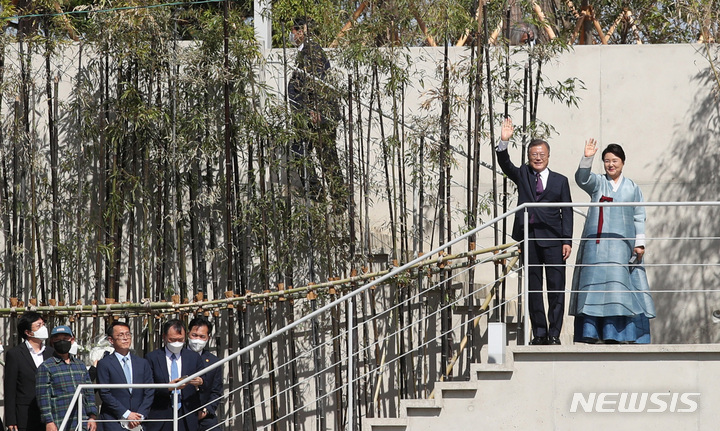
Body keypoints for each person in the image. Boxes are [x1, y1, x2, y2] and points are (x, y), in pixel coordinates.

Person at [569, 140, 656, 343]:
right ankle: (591, 333)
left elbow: (639, 215)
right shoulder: (598, 183)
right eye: (607, 161)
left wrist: (640, 243)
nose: (611, 165)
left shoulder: (632, 188)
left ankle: (618, 334)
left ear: (622, 162)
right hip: (596, 247)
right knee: (595, 286)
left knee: (619, 287)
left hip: (622, 246)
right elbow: (582, 179)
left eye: (614, 160)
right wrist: (587, 158)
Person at [497, 117, 573, 345]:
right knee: (533, 289)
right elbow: (505, 164)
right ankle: (539, 333)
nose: (537, 158)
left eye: (541, 154)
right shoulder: (523, 174)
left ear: (548, 156)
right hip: (528, 240)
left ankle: (555, 333)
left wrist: (567, 240)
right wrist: (503, 142)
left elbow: (566, 212)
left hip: (554, 241)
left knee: (556, 288)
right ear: (529, 157)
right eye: (533, 155)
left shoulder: (560, 181)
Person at [287, 16, 346, 208]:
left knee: (321, 154)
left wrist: (315, 109)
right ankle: (328, 197)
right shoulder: (306, 52)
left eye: (294, 30)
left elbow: (319, 82)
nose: (292, 34)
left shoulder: (312, 51)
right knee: (313, 153)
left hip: (318, 115)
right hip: (312, 115)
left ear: (301, 31)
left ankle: (328, 197)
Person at [145, 319, 204, 431]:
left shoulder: (193, 357)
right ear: (164, 337)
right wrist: (167, 388)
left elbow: (206, 381)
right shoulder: (152, 358)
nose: (176, 343)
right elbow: (147, 386)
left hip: (186, 413)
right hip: (161, 413)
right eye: (172, 340)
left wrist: (200, 382)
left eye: (180, 340)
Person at [36, 325, 98, 431]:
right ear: (52, 342)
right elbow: (43, 397)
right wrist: (49, 421)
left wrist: (92, 416)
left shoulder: (80, 365)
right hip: (60, 421)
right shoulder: (46, 367)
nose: (62, 342)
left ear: (72, 340)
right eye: (58, 339)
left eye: (65, 339)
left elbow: (89, 392)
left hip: (82, 421)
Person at [96, 321, 154, 430]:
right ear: (111, 340)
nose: (125, 338)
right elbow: (105, 393)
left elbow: (149, 391)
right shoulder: (104, 364)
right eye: (120, 335)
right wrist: (126, 414)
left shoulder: (142, 363)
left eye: (128, 334)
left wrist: (140, 415)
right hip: (113, 421)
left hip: (138, 421)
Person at [4, 311, 55, 431]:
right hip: (25, 414)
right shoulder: (15, 354)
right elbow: (10, 388)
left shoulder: (51, 353)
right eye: (38, 325)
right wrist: (11, 419)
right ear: (28, 332)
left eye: (43, 324)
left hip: (49, 414)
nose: (43, 328)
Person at [187, 317, 224, 431]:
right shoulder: (177, 357)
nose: (197, 339)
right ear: (188, 334)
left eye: (202, 336)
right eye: (194, 335)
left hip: (204, 415)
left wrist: (206, 410)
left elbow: (216, 391)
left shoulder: (214, 362)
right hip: (181, 413)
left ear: (208, 338)